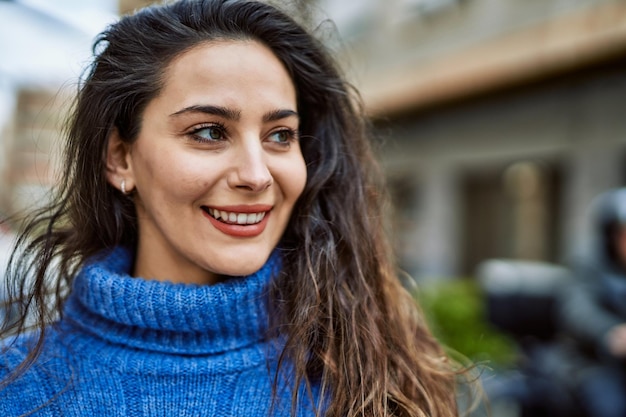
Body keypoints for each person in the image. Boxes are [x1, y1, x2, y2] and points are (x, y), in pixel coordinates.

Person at [0, 0, 466, 415]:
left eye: (280, 136)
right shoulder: (13, 388)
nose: (258, 174)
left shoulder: (373, 380)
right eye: (209, 132)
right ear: (120, 158)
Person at [557, 187, 626, 417]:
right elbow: (578, 309)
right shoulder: (588, 261)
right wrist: (609, 332)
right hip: (593, 360)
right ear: (611, 233)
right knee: (610, 405)